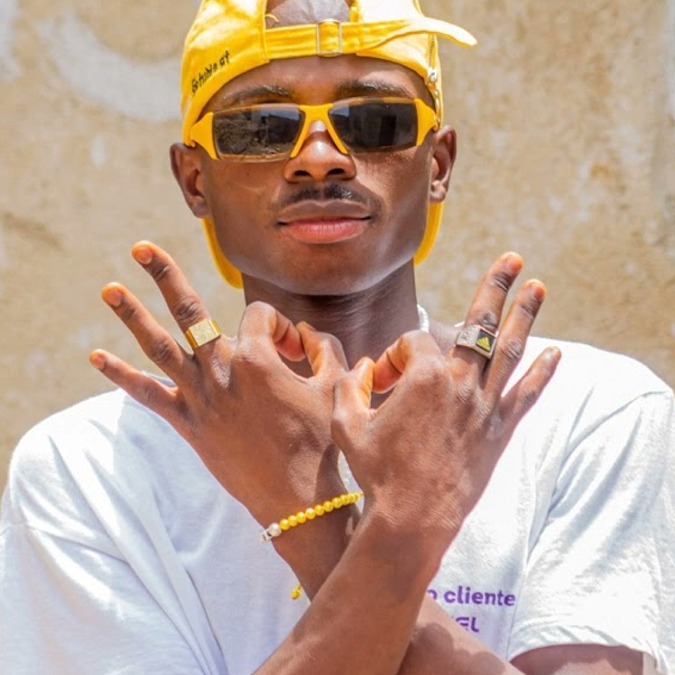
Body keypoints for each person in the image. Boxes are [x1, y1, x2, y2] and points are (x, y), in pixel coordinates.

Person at [1, 0, 673, 673]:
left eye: (374, 121)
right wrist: (402, 527)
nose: (319, 159)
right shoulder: (88, 468)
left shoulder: (584, 412)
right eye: (261, 128)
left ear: (438, 163)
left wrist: (317, 516)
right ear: (194, 179)